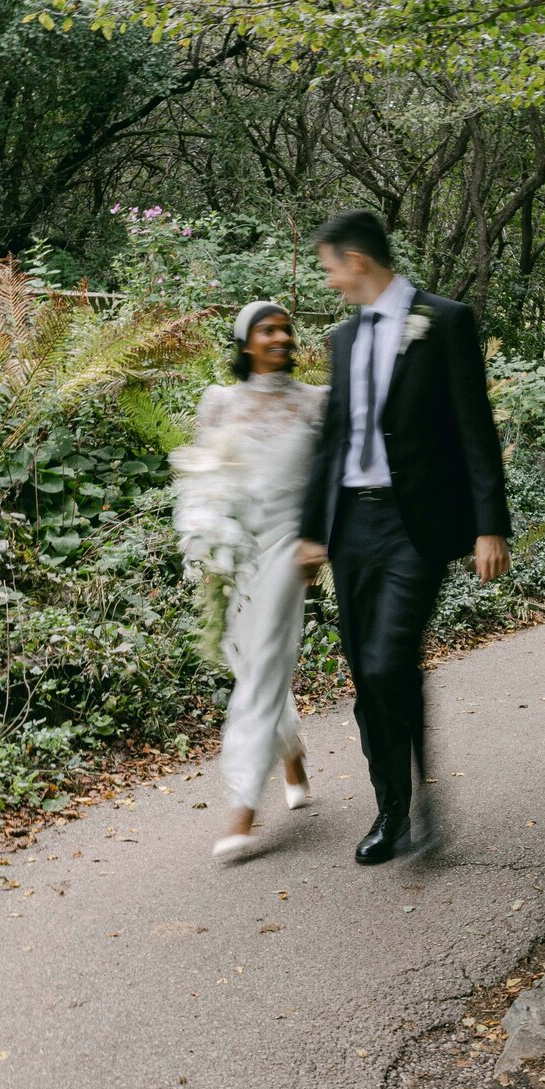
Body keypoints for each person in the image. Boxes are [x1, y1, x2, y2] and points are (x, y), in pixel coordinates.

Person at [298, 210, 511, 865]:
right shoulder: (341, 340)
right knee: (367, 673)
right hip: (351, 527)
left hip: (413, 525)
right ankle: (392, 811)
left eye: (330, 267)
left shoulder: (444, 321)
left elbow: (475, 426)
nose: (329, 280)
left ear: (356, 261)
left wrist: (489, 524)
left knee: (392, 660)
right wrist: (311, 534)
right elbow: (331, 442)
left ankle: (419, 799)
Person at [172, 301, 327, 862]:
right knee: (248, 660)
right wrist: (205, 539)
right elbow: (203, 481)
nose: (281, 336)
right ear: (245, 344)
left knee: (262, 663)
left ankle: (242, 808)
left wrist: (320, 536)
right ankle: (291, 755)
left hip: (290, 547)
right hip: (234, 553)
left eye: (286, 328)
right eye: (268, 329)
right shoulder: (218, 404)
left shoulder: (316, 404)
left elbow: (329, 480)